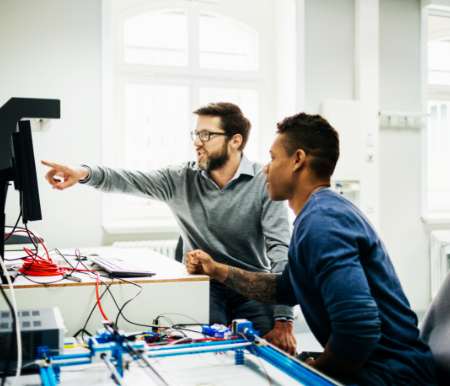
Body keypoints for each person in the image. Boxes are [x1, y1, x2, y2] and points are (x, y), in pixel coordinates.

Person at [185, 112, 438, 386]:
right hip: (377, 366)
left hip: (395, 376)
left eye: (273, 157)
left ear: (297, 159)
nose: (265, 169)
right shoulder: (319, 214)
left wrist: (315, 369)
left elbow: (357, 330)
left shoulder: (322, 221)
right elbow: (284, 288)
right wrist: (218, 270)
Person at [41, 102, 297, 354]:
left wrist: (284, 319)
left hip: (250, 283)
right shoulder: (181, 178)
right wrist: (82, 172)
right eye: (196, 134)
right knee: (207, 351)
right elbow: (128, 179)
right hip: (204, 284)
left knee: (268, 354)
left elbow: (280, 250)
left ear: (235, 141)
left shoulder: (266, 181)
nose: (197, 142)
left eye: (206, 135)